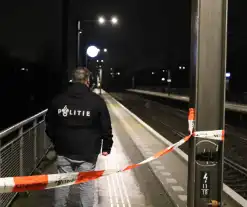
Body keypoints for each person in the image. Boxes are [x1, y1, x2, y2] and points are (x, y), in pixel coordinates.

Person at [45, 67, 113, 207]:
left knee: (63, 183)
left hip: (64, 148)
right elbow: (105, 125)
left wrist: (56, 140)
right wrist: (106, 146)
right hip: (88, 150)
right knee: (86, 184)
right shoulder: (97, 101)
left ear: (73, 80)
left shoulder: (59, 99)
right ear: (87, 80)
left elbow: (49, 124)